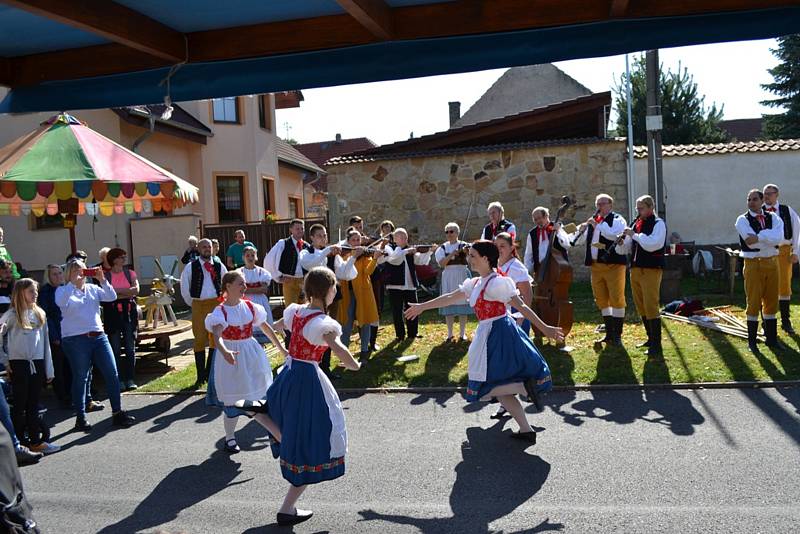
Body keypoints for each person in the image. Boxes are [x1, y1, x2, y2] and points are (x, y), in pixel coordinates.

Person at [405, 241, 563, 442]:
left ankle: (525, 387)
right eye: (469, 255)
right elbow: (450, 297)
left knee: (486, 385)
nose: (469, 259)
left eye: (473, 256)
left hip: (500, 334)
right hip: (488, 333)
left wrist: (545, 328)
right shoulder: (476, 283)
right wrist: (422, 306)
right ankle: (526, 429)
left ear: (486, 259)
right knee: (500, 386)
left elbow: (521, 306)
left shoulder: (497, 283)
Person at [264, 266, 361, 526]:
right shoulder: (323, 323)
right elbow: (337, 347)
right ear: (328, 291)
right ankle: (287, 508)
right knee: (314, 437)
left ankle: (261, 417)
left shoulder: (296, 311)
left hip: (289, 374)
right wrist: (355, 365)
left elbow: (278, 324)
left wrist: (269, 337)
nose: (334, 293)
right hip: (306, 379)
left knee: (298, 433)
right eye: (334, 289)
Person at [206, 271, 287, 454]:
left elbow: (266, 328)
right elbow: (217, 336)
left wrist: (282, 349)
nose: (244, 287)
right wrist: (225, 350)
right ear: (228, 286)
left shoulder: (251, 307)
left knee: (258, 396)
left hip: (251, 354)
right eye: (240, 284)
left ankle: (278, 436)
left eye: (244, 283)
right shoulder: (221, 311)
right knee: (233, 402)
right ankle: (230, 438)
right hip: (231, 359)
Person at [56, 260, 135, 431]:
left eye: (82, 269)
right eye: (76, 270)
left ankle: (117, 413)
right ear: (68, 273)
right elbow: (61, 302)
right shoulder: (63, 290)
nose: (80, 273)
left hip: (98, 336)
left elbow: (111, 296)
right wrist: (73, 283)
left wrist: (103, 280)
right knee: (81, 377)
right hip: (76, 339)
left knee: (112, 373)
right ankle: (80, 417)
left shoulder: (92, 289)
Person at [0, 279, 59, 455]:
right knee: (19, 405)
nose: (35, 295)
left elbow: (45, 345)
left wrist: (49, 369)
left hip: (37, 363)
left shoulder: (39, 313)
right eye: (31, 292)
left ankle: (35, 441)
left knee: (33, 403)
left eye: (36, 291)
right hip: (19, 364)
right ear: (20, 293)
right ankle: (18, 444)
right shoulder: (11, 315)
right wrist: (6, 361)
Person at [567, 193, 628, 346]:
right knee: (601, 299)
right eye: (597, 204)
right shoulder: (594, 222)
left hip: (614, 265)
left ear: (610, 205)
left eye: (603, 204)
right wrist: (579, 230)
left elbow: (614, 236)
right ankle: (608, 333)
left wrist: (597, 225)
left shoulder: (617, 219)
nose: (599, 207)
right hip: (596, 266)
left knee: (617, 298)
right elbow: (584, 242)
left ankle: (617, 335)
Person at [299, 224, 356, 377]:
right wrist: (327, 251)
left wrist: (353, 257)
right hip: (313, 300)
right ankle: (312, 365)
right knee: (313, 331)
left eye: (324, 236)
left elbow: (346, 274)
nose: (323, 239)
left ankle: (326, 367)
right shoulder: (306, 252)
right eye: (319, 236)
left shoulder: (333, 254)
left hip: (332, 299)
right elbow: (310, 263)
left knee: (329, 331)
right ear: (311, 238)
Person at [615, 195, 667, 357]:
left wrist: (634, 235)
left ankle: (656, 345)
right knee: (640, 304)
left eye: (641, 208)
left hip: (651, 268)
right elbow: (630, 248)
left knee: (651, 304)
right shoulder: (638, 224)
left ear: (651, 207)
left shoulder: (658, 224)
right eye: (637, 208)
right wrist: (622, 242)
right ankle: (650, 338)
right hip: (636, 269)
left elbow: (653, 244)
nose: (638, 211)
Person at [735, 189, 785, 352]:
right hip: (753, 263)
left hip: (772, 263)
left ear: (762, 200)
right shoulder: (742, 220)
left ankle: (771, 339)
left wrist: (760, 236)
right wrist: (768, 238)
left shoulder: (774, 217)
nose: (751, 202)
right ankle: (752, 342)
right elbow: (750, 243)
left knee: (771, 301)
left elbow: (780, 238)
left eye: (755, 199)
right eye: (748, 199)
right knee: (754, 300)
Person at [180, 238, 227, 388]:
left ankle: (210, 373)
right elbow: (184, 287)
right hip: (198, 305)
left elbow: (226, 284)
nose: (207, 249)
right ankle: (200, 376)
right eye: (204, 247)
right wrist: (193, 303)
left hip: (215, 303)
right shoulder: (190, 267)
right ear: (199, 249)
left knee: (215, 338)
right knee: (199, 338)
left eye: (209, 247)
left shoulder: (219, 266)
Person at [337, 230, 382, 360]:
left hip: (363, 293)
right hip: (347, 294)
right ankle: (344, 353)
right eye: (354, 240)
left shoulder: (365, 256)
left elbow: (368, 271)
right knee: (346, 322)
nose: (357, 242)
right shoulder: (344, 255)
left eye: (358, 240)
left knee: (365, 321)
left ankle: (364, 351)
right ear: (348, 242)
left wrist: (374, 259)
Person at [384, 228, 435, 342]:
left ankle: (413, 333)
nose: (404, 239)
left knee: (413, 309)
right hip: (395, 285)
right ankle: (400, 335)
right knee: (397, 311)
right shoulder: (389, 248)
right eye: (401, 237)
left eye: (405, 237)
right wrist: (407, 251)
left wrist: (429, 251)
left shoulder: (410, 249)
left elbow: (421, 261)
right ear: (395, 238)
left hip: (410, 284)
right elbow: (394, 259)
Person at [763, 183, 800, 334]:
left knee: (784, 286)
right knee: (765, 287)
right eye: (765, 193)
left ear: (776, 195)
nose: (766, 196)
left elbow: (797, 230)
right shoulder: (759, 212)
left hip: (784, 251)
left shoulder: (786, 210)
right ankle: (766, 323)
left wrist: (796, 252)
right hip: (766, 252)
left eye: (770, 193)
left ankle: (786, 321)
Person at [102, 248, 140, 391]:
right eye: (121, 256)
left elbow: (136, 291)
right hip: (113, 315)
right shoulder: (106, 276)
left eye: (125, 256)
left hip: (128, 314)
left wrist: (116, 292)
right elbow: (107, 295)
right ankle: (118, 380)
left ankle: (130, 378)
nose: (124, 258)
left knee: (130, 348)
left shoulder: (130, 273)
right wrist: (126, 292)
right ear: (113, 259)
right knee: (115, 349)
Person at [38, 265, 71, 407]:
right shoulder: (45, 292)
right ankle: (63, 397)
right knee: (59, 367)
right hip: (55, 332)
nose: (58, 276)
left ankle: (71, 394)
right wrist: (54, 336)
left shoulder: (65, 288)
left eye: (59, 273)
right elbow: (46, 315)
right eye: (54, 274)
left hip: (69, 331)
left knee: (70, 365)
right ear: (48, 277)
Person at [434, 222, 473, 342]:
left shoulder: (465, 246)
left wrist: (467, 253)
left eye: (452, 231)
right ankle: (450, 334)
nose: (449, 234)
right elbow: (441, 264)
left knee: (463, 303)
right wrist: (452, 254)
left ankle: (462, 334)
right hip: (448, 275)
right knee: (448, 303)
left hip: (462, 273)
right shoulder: (442, 248)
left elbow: (471, 261)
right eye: (447, 232)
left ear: (457, 233)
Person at [264, 219, 313, 307]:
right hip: (289, 280)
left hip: (303, 281)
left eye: (302, 228)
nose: (300, 231)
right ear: (291, 229)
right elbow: (269, 260)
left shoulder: (307, 246)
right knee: (291, 310)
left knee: (305, 309)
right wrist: (278, 277)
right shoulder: (283, 243)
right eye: (297, 229)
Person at [495, 232, 534, 336]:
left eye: (502, 246)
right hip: (499, 312)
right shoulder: (495, 264)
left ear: (511, 247)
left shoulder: (516, 267)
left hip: (516, 311)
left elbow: (527, 295)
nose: (499, 249)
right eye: (496, 246)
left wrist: (521, 317)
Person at [239, 246, 274, 341]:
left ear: (256, 257)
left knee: (260, 321)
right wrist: (256, 288)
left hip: (260, 301)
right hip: (245, 302)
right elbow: (238, 289)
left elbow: (264, 289)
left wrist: (246, 288)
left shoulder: (262, 272)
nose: (250, 258)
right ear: (243, 257)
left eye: (252, 255)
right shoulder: (239, 272)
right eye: (247, 255)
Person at [523, 206, 571, 277]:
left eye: (539, 218)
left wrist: (558, 231)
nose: (538, 221)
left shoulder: (557, 226)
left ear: (546, 216)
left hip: (558, 269)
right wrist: (527, 272)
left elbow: (566, 245)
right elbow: (528, 255)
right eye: (535, 220)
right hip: (541, 271)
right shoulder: (532, 234)